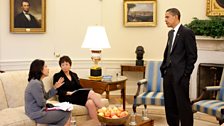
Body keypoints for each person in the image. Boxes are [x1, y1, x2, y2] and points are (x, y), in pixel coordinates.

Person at [160, 8, 197, 126]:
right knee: (170, 105)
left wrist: (186, 75)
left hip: (181, 76)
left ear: (175, 17)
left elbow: (192, 56)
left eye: (167, 17)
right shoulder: (170, 33)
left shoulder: (187, 32)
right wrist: (164, 68)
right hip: (168, 73)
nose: (165, 20)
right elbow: (169, 53)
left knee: (183, 106)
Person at [53, 56, 103, 123]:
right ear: (60, 66)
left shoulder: (74, 75)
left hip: (76, 94)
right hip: (66, 97)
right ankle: (104, 110)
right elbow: (56, 91)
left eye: (66, 64)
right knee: (90, 92)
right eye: (63, 65)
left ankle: (96, 122)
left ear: (70, 65)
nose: (65, 66)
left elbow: (79, 87)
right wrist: (67, 92)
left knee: (90, 102)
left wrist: (83, 91)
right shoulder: (57, 76)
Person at [24, 59, 71, 126]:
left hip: (39, 111)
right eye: (45, 66)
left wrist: (55, 87)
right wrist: (50, 106)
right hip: (36, 113)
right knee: (66, 113)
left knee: (67, 111)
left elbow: (45, 96)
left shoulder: (39, 81)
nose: (48, 68)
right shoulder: (35, 83)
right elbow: (41, 103)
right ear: (40, 70)